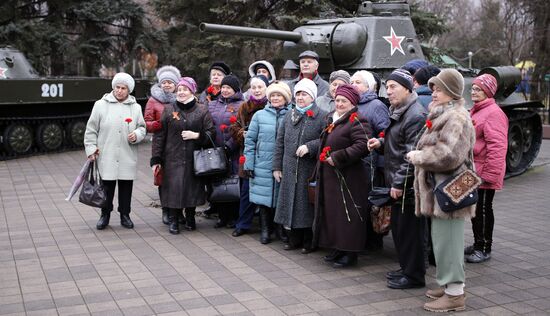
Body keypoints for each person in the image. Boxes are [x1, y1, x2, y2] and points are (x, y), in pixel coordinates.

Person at [406, 69, 476, 312]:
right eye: (433, 88)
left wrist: (419, 156)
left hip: (450, 191)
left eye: (439, 89)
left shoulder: (456, 117)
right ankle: (449, 286)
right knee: (442, 241)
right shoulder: (444, 114)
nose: (433, 92)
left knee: (450, 243)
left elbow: (449, 155)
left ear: (452, 92)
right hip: (441, 191)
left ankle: (455, 294)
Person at [367, 69, 427, 289]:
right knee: (402, 230)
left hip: (408, 186)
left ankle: (414, 276)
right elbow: (398, 145)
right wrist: (381, 144)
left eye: (394, 87)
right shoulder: (401, 110)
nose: (388, 91)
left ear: (408, 88)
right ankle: (406, 269)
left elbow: (412, 155)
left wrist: (400, 183)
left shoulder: (415, 114)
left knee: (411, 232)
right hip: (399, 182)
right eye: (388, 86)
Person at [313, 84, 371, 268]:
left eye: (343, 101)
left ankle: (350, 252)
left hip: (349, 177)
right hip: (331, 176)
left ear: (352, 102)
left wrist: (338, 157)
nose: (339, 103)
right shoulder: (334, 118)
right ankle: (337, 247)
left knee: (349, 215)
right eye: (337, 100)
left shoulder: (358, 120)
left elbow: (363, 145)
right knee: (334, 213)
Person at [151, 77, 215, 234]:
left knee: (192, 188)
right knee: (173, 188)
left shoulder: (202, 110)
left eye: (185, 89)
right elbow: (160, 135)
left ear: (192, 91)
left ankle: (191, 217)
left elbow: (211, 132)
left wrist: (196, 136)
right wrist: (156, 159)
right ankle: (174, 219)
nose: (181, 92)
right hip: (172, 157)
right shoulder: (168, 109)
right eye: (179, 89)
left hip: (194, 158)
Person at [84, 72, 146, 230]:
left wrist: (137, 135)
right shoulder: (100, 105)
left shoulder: (136, 107)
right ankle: (105, 215)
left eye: (123, 88)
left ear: (129, 90)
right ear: (113, 87)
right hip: (107, 154)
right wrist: (91, 148)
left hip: (127, 154)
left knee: (126, 187)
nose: (119, 91)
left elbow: (142, 128)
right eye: (117, 87)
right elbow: (91, 129)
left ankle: (125, 215)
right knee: (107, 187)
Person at [273, 78, 327, 253]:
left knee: (306, 205)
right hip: (289, 167)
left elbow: (326, 140)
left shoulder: (323, 116)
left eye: (304, 94)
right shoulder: (290, 115)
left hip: (308, 169)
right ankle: (293, 238)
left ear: (312, 96)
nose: (300, 97)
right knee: (291, 204)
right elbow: (279, 142)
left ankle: (309, 240)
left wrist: (310, 147)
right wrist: (277, 167)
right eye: (298, 94)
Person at [238, 81, 292, 244]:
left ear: (286, 98)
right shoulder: (259, 116)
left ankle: (279, 228)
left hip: (283, 163)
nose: (275, 98)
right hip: (262, 162)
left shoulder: (292, 114)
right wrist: (249, 164)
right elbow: (251, 141)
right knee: (263, 199)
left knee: (280, 198)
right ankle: (265, 229)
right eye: (273, 95)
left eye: (279, 95)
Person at [465, 73, 508, 263]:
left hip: (484, 172)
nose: (474, 92)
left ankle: (484, 247)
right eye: (473, 88)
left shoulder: (494, 113)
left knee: (482, 210)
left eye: (478, 89)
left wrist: (489, 175)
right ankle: (477, 243)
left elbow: (498, 146)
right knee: (475, 210)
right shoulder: (476, 110)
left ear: (488, 92)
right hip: (475, 169)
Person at [351, 70, 390, 251]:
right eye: (351, 81)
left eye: (358, 82)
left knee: (370, 203)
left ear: (369, 86)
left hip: (370, 163)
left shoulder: (375, 105)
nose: (353, 84)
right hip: (354, 163)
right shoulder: (352, 104)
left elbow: (384, 132)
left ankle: (373, 241)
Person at [229, 75, 270, 239]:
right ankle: (243, 224)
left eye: (260, 87)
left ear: (266, 88)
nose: (257, 90)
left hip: (266, 155)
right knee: (246, 191)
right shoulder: (244, 107)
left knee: (267, 192)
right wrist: (242, 133)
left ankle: (267, 226)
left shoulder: (272, 103)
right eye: (254, 87)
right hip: (248, 154)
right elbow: (234, 127)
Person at [144, 65, 182, 225]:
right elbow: (146, 122)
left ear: (176, 85)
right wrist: (159, 124)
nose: (167, 85)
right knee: (163, 178)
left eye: (170, 82)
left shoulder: (182, 98)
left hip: (179, 144)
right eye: (164, 82)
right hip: (161, 144)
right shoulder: (153, 100)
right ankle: (165, 210)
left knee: (179, 178)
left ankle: (178, 211)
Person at [208, 74, 244, 228]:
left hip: (234, 151)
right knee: (219, 182)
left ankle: (234, 217)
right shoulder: (213, 104)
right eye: (223, 87)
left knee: (234, 182)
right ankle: (222, 216)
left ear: (235, 90)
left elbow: (242, 128)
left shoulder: (242, 105)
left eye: (228, 87)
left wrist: (230, 145)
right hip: (216, 150)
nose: (225, 90)